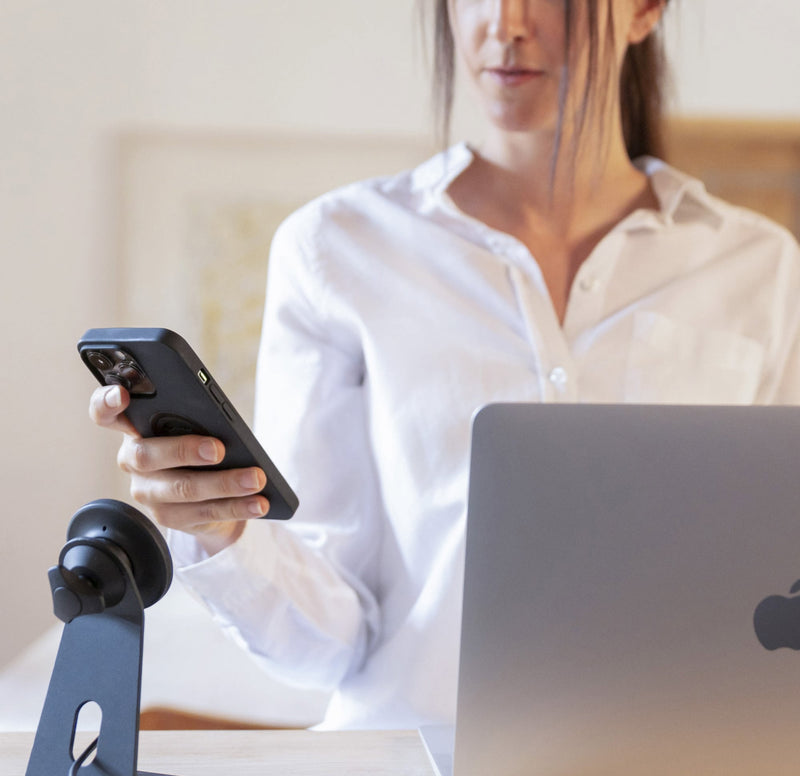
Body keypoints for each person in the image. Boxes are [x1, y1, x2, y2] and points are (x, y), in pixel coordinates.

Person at [89, 0, 800, 729]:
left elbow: (769, 591)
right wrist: (219, 527)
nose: (505, 21)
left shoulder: (759, 271)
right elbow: (330, 644)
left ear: (646, 9)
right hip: (406, 771)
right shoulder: (336, 249)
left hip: (669, 762)